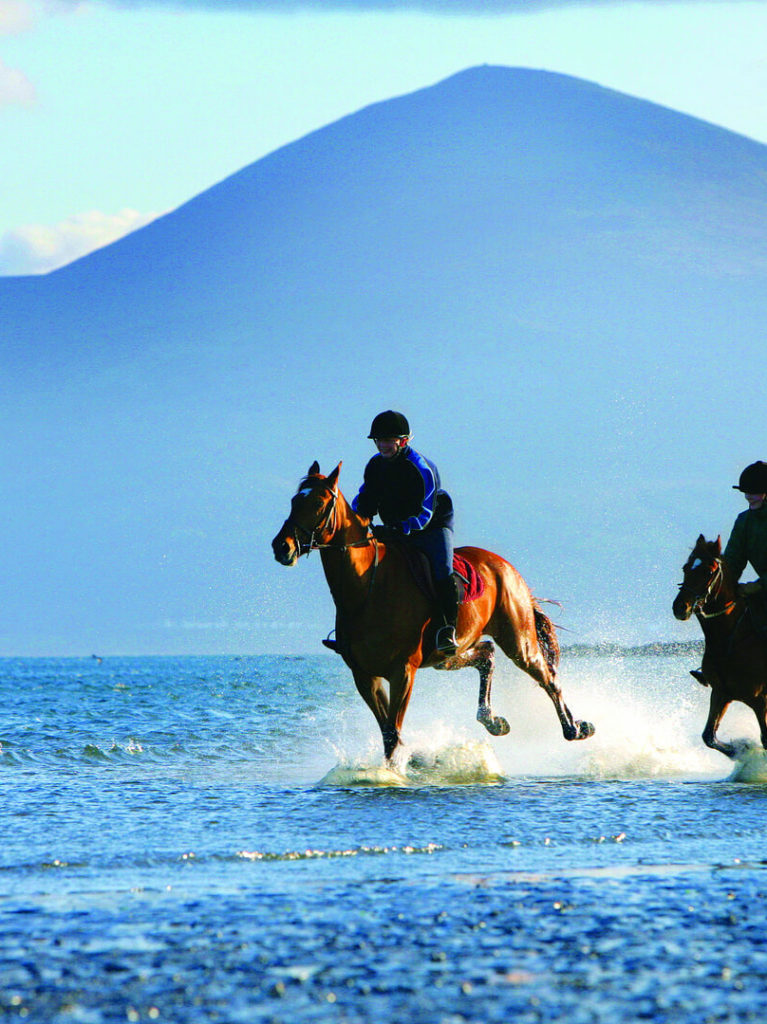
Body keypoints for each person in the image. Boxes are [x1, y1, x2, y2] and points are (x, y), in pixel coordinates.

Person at [351, 410, 460, 655]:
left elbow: (424, 513)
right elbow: (365, 499)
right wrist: (350, 520)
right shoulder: (375, 466)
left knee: (442, 569)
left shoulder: (422, 468)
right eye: (379, 440)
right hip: (394, 528)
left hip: (431, 526)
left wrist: (399, 528)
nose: (382, 445)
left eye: (388, 440)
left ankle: (447, 629)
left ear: (404, 441)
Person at [691, 460, 767, 684]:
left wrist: (759, 585)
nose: (748, 497)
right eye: (746, 493)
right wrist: (718, 584)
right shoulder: (744, 521)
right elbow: (733, 561)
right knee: (727, 617)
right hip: (761, 590)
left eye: (754, 493)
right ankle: (716, 667)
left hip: (762, 587)